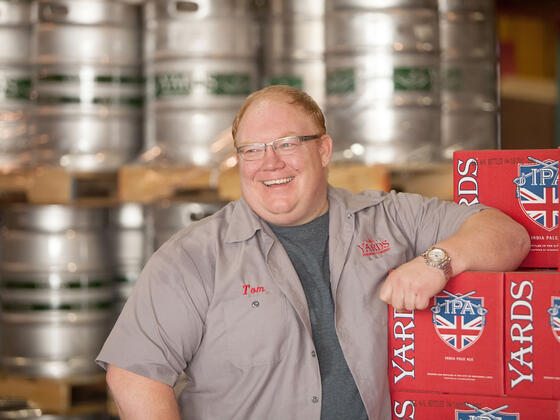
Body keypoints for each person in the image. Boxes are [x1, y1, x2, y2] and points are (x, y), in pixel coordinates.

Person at [97, 85, 530, 420]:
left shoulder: (390, 218)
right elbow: (136, 372)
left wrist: (439, 260)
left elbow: (507, 235)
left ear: (323, 149)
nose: (270, 163)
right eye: (251, 150)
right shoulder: (193, 256)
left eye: (287, 143)